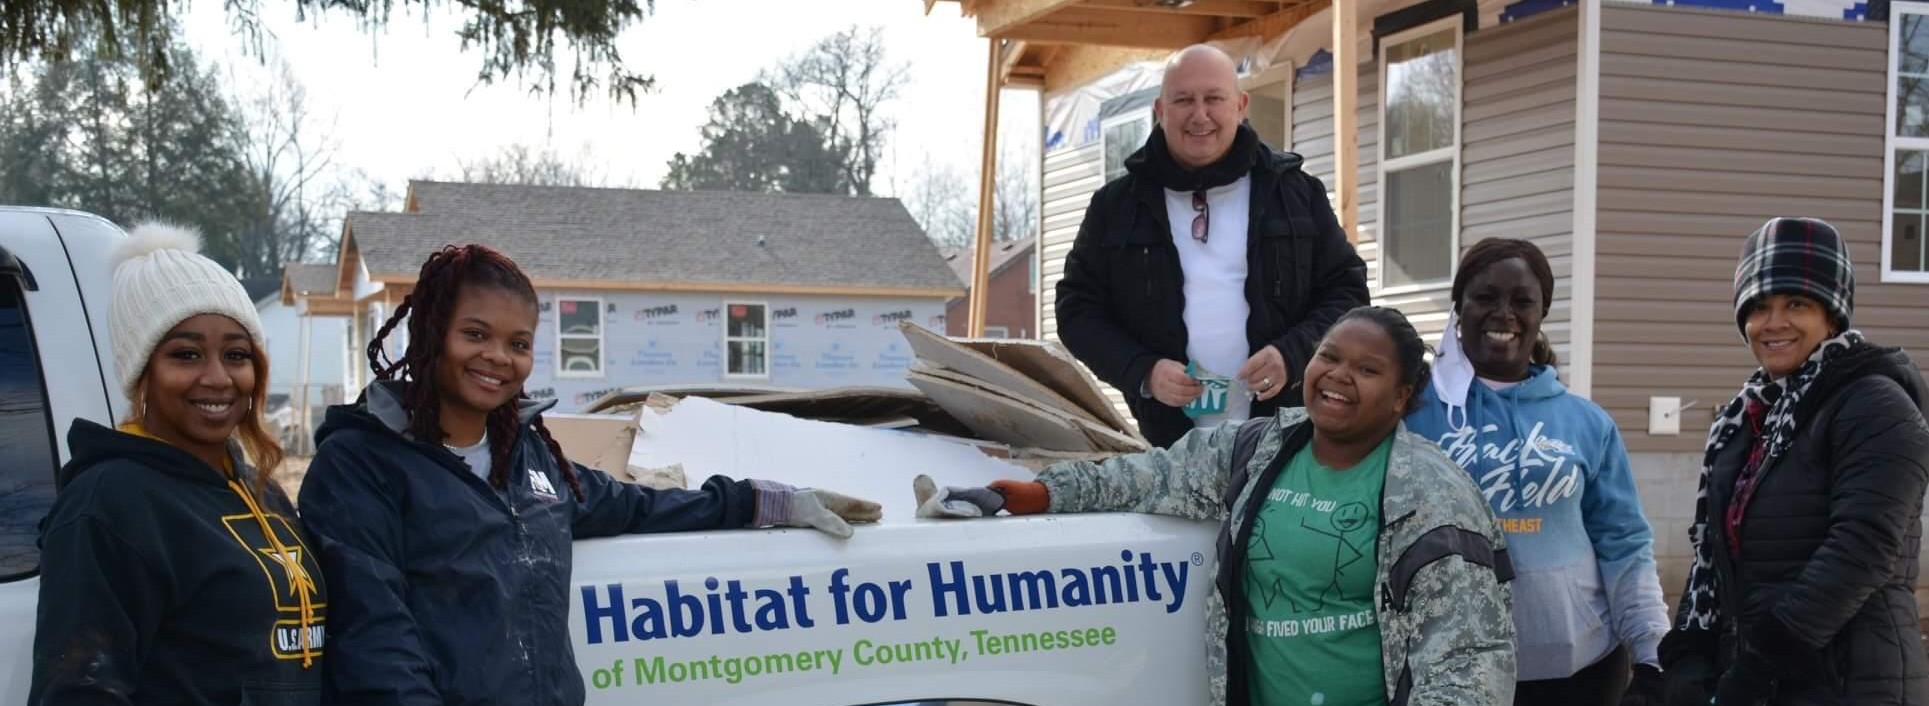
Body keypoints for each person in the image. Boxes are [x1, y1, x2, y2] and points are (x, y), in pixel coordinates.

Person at [298, 244, 881, 706]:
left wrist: (768, 501)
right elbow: (375, 640)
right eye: (475, 334)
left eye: (518, 343)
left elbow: (637, 506)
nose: (499, 356)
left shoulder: (530, 463)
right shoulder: (359, 466)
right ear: (429, 336)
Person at [918, 306, 1515, 706]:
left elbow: (1469, 661)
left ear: (1403, 395)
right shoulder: (1259, 449)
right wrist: (1044, 492)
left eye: (1367, 369)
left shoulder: (1432, 495)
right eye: (1329, 357)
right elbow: (1151, 476)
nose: (1337, 376)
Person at [31, 223, 325, 704]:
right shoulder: (109, 503)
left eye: (236, 354)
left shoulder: (260, 490)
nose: (217, 377)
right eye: (186, 355)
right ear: (141, 371)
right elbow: (79, 691)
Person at [1656, 217, 1929, 705]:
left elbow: (1862, 549)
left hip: (1850, 682)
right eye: (1758, 307)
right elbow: (1714, 559)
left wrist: (1759, 666)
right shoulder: (1747, 419)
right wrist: (1689, 657)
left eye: (1796, 303)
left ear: (1832, 314)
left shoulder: (1875, 404)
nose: (1773, 323)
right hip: (1767, 680)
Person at [1055, 44, 1369, 448]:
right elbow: (1076, 311)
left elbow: (1348, 292)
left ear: (1240, 106)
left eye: (1214, 99)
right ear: (1160, 110)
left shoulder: (1294, 193)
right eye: (1183, 99)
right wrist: (1142, 371)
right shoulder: (1116, 206)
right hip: (1168, 446)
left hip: (1287, 439)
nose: (1199, 115)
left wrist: (1293, 355)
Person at [1403, 238, 1668, 705]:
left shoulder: (1587, 422)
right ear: (1459, 307)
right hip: (1449, 669)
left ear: (1542, 312)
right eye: (1485, 297)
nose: (1503, 313)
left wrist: (1651, 653)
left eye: (1522, 301)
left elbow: (1624, 543)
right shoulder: (1412, 413)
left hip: (1580, 671)